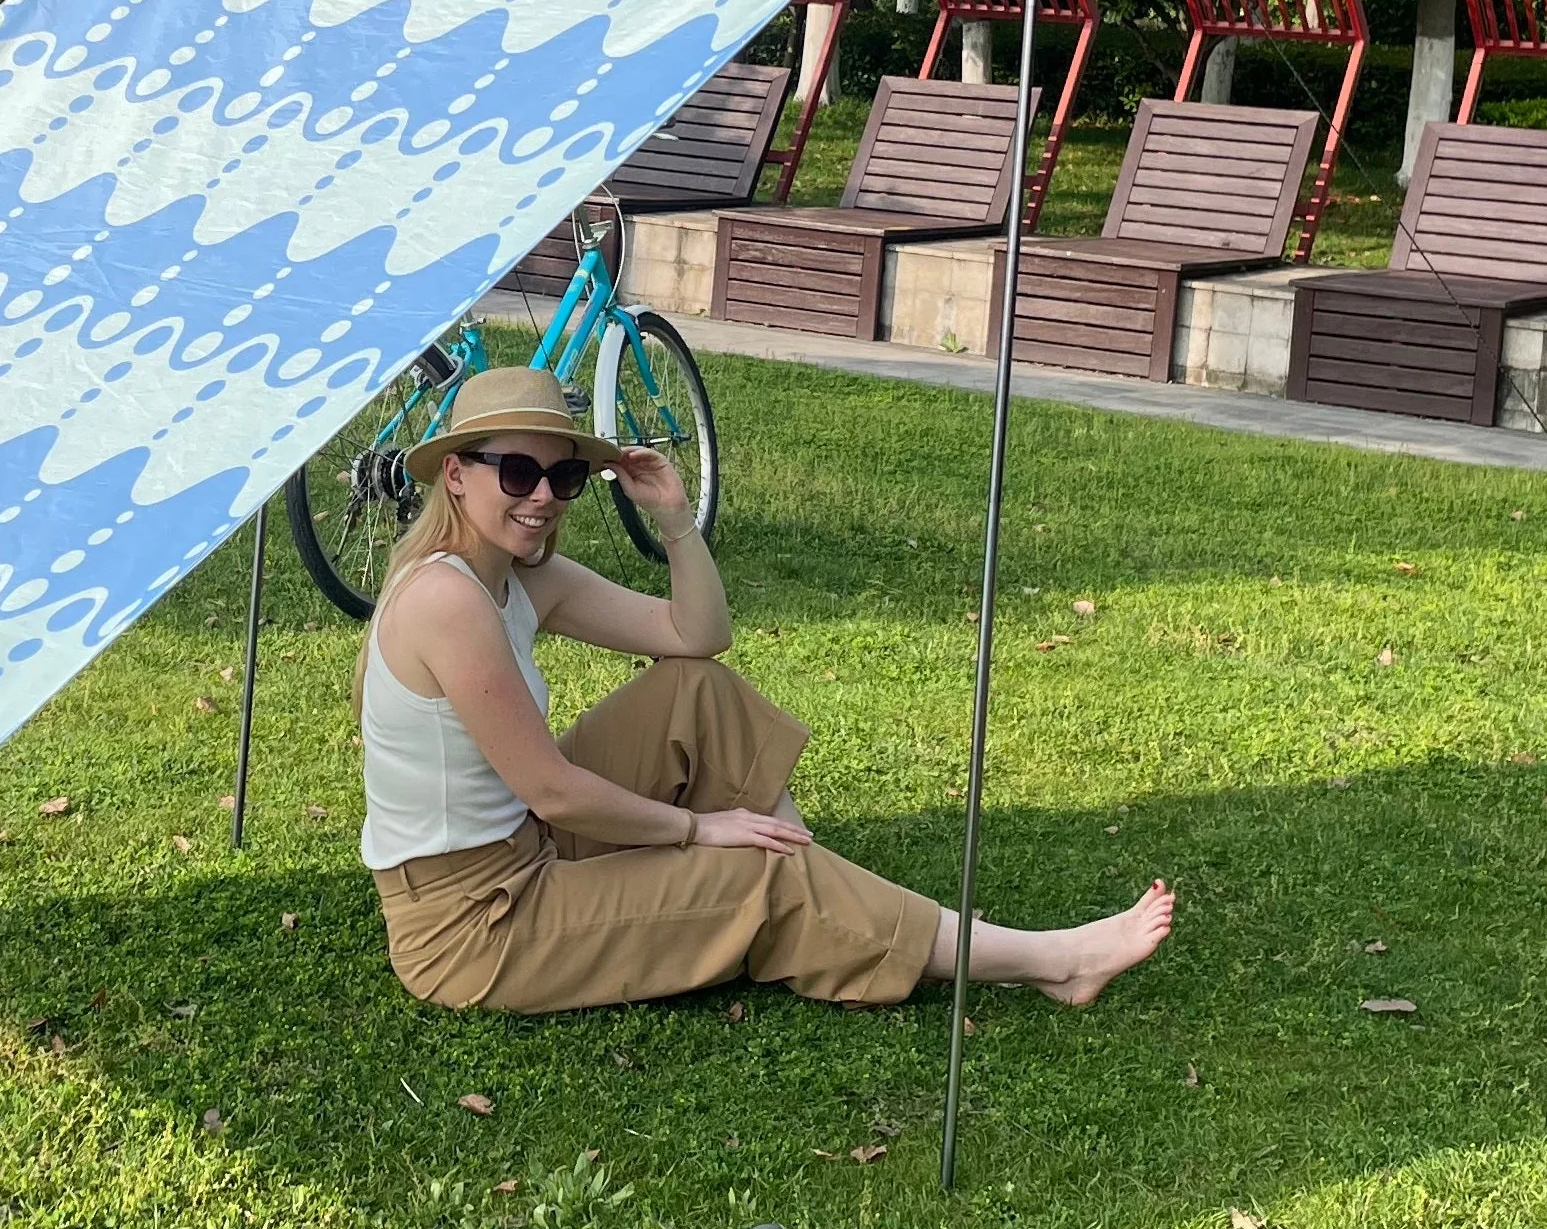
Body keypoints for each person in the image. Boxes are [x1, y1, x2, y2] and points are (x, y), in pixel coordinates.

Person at [360, 366, 1177, 1015]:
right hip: (474, 927)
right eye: (517, 472)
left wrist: (676, 519)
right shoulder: (447, 600)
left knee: (693, 693)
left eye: (564, 477)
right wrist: (697, 829)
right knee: (754, 871)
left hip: (525, 848)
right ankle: (1052, 963)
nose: (541, 496)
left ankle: (816, 887)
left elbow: (695, 637)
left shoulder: (515, 578)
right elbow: (553, 791)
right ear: (457, 477)